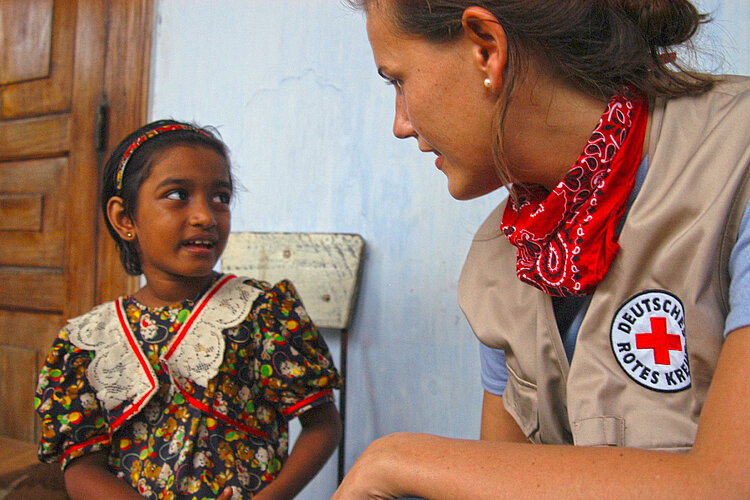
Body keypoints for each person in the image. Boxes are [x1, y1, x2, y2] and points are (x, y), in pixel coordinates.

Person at [334, 1, 750, 498]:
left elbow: (729, 483)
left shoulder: (735, 163)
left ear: (486, 49)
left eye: (398, 80)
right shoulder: (500, 262)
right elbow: (498, 480)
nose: (400, 124)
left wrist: (392, 460)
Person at [34, 119, 342, 500]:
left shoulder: (262, 311)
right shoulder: (88, 342)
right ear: (124, 218)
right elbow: (82, 468)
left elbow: (322, 425)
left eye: (221, 197)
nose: (205, 216)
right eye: (178, 195)